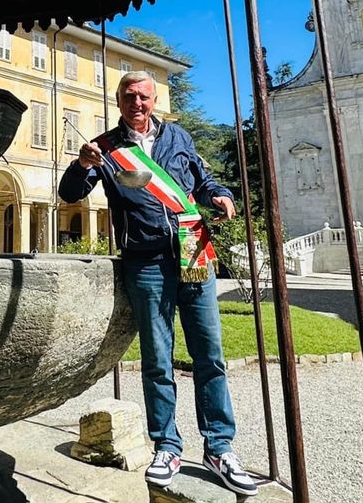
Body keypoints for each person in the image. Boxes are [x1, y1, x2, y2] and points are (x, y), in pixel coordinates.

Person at [58, 71, 258, 495]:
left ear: (155, 100)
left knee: (210, 353)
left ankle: (219, 447)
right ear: (118, 101)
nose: (137, 103)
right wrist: (81, 165)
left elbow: (202, 182)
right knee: (157, 358)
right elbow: (70, 194)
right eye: (129, 96)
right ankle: (166, 445)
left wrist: (221, 196)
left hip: (193, 250)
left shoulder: (179, 138)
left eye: (144, 96)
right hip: (145, 261)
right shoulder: (106, 149)